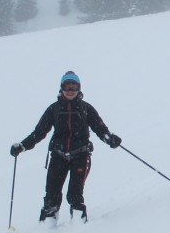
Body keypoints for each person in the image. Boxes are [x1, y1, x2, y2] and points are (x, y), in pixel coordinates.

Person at [10, 71, 121, 222]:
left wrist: (110, 139)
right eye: (67, 86)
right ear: (61, 88)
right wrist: (22, 146)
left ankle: (78, 229)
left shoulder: (86, 108)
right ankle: (46, 229)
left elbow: (100, 128)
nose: (70, 91)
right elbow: (39, 133)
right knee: (51, 196)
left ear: (79, 89)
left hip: (81, 155)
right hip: (58, 155)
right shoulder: (54, 109)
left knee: (75, 195)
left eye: (73, 87)